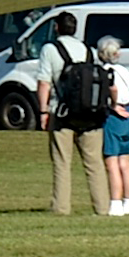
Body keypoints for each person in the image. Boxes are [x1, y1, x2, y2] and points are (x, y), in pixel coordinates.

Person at [34, 14, 111, 217]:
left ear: (57, 28)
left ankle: (61, 208)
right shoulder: (88, 50)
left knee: (62, 162)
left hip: (62, 112)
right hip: (91, 113)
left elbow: (44, 82)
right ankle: (102, 208)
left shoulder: (50, 49)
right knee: (94, 163)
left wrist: (43, 111)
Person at [98, 37, 129, 217]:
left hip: (114, 116)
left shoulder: (105, 72)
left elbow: (112, 88)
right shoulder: (124, 71)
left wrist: (114, 104)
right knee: (125, 161)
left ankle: (115, 204)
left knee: (112, 162)